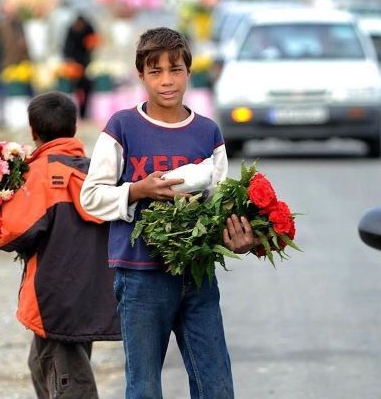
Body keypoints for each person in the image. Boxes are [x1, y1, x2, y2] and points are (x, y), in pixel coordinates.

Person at [80, 27, 256, 398]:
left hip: (198, 276)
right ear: (140, 76)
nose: (166, 80)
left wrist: (241, 239)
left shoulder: (207, 132)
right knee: (144, 387)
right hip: (141, 277)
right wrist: (138, 190)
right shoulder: (123, 127)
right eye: (155, 71)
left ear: (189, 73)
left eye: (175, 70)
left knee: (217, 384)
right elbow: (91, 197)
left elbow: (221, 202)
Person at [0, 92, 121, 398]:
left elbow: (11, 232)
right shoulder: (93, 171)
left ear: (33, 132)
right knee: (44, 363)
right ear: (74, 128)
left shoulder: (40, 174)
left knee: (68, 382)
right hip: (89, 294)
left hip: (54, 298)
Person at [62, 14, 98, 119]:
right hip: (73, 66)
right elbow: (66, 49)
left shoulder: (89, 29)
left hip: (86, 65)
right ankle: (73, 114)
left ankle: (83, 113)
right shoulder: (71, 30)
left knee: (86, 90)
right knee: (73, 91)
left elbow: (93, 44)